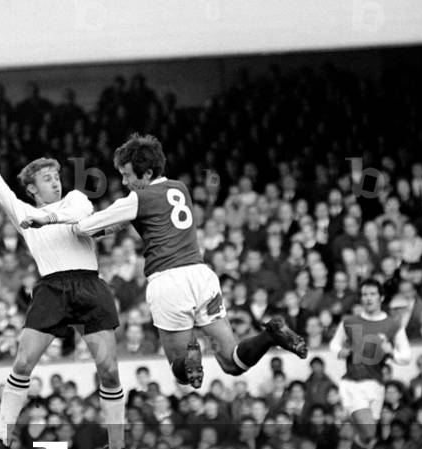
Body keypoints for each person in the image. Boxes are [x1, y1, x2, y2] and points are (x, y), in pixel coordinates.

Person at [47, 133, 307, 388]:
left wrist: (60, 217)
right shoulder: (180, 187)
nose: (125, 182)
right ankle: (270, 334)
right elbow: (137, 219)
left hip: (168, 281)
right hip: (201, 276)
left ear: (147, 173)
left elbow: (85, 228)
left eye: (127, 175)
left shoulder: (138, 198)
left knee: (182, 373)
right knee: (232, 362)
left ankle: (190, 358)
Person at [0, 112, 132, 449]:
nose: (55, 182)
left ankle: (117, 446)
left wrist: (45, 218)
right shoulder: (22, 212)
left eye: (56, 176)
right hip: (52, 288)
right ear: (32, 189)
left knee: (109, 370)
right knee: (22, 363)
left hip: (88, 283)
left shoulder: (76, 199)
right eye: (47, 179)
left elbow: (78, 218)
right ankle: (2, 439)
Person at [326, 279, 412, 449]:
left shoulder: (393, 324)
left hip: (377, 386)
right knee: (369, 430)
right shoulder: (349, 321)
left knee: (366, 437)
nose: (368, 298)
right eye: (365, 294)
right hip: (353, 384)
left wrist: (390, 351)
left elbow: (406, 356)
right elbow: (334, 344)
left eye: (373, 294)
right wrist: (340, 352)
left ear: (381, 297)